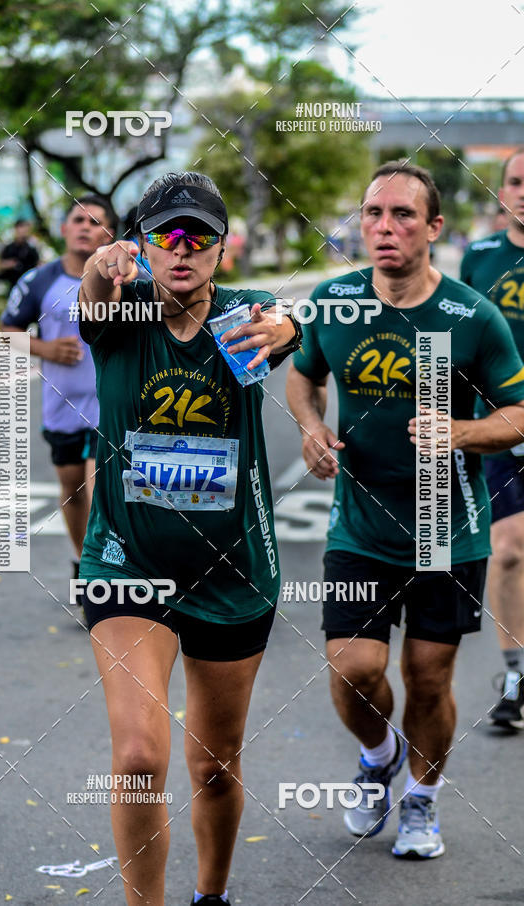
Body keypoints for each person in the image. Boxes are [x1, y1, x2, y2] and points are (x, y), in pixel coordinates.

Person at [286, 161, 524, 859]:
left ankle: (421, 800)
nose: (385, 228)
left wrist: (461, 432)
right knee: (354, 670)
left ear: (434, 227)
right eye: (373, 214)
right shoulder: (334, 303)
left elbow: (518, 413)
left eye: (403, 216)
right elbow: (303, 376)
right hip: (358, 524)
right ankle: (379, 756)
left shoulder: (469, 316)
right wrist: (310, 426)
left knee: (428, 677)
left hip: (445, 528)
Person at [76, 171, 300, 906]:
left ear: (221, 248)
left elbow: (294, 326)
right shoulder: (122, 315)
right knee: (140, 758)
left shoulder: (243, 317)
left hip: (233, 571)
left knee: (215, 765)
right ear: (141, 244)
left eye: (198, 236)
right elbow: (91, 302)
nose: (182, 249)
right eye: (165, 234)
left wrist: (290, 329)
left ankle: (212, 896)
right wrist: (96, 266)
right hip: (127, 562)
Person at [0, 195, 117, 595]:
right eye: (78, 219)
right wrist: (45, 349)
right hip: (62, 410)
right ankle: (81, 560)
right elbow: (6, 335)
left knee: (101, 488)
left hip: (111, 410)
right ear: (65, 229)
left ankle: (101, 573)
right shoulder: (38, 281)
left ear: (110, 234)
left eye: (96, 222)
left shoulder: (125, 279)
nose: (86, 227)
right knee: (72, 490)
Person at [460, 147, 524, 728]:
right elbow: (454, 339)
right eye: (516, 181)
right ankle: (515, 673)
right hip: (500, 426)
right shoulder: (479, 259)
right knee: (507, 549)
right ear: (502, 191)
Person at [0, 218, 39, 289]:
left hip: (29, 285)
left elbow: (37, 265)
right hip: (13, 285)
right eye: (21, 227)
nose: (23, 231)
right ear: (16, 229)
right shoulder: (9, 248)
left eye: (25, 228)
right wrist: (8, 264)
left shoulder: (31, 248)